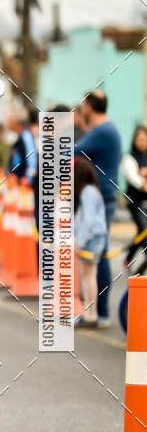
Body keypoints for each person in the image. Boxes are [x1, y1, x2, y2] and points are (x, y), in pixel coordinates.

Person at [74, 90, 122, 327]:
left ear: (90, 108)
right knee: (98, 255)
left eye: (82, 106)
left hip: (99, 198)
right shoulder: (106, 130)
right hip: (103, 197)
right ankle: (97, 312)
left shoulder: (102, 131)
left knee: (96, 256)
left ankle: (99, 313)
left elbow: (70, 151)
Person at [74, 157, 107, 328]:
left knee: (88, 277)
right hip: (95, 237)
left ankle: (90, 315)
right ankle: (89, 314)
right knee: (89, 276)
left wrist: (79, 242)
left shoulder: (87, 191)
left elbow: (87, 221)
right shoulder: (92, 190)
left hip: (91, 238)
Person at [121, 125, 147, 269]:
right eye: (140, 139)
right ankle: (140, 272)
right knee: (144, 231)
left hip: (145, 202)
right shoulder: (129, 157)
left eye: (145, 139)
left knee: (141, 230)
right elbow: (134, 178)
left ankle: (128, 259)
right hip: (134, 201)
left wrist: (143, 172)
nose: (143, 142)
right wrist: (142, 178)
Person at [7, 106, 37, 182]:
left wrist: (28, 182)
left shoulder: (26, 137)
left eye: (9, 119)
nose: (7, 122)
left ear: (16, 121)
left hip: (25, 187)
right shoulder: (20, 137)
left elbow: (32, 163)